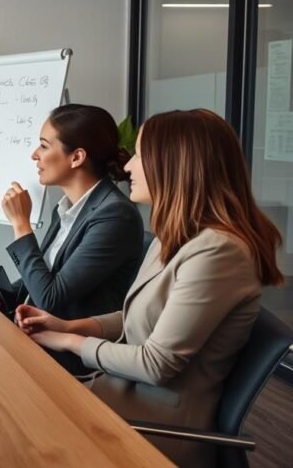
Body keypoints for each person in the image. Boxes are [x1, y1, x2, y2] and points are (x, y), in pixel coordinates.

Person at [16, 109, 284, 467]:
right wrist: (66, 326)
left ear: (174, 164)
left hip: (155, 428)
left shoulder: (219, 252)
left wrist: (69, 342)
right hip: (120, 398)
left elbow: (157, 364)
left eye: (141, 155)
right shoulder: (176, 236)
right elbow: (135, 316)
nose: (128, 167)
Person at [0, 104, 144, 324]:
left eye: (44, 146)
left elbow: (50, 298)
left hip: (69, 349)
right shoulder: (67, 208)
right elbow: (49, 273)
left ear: (76, 157)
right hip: (36, 332)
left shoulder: (115, 215)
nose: (34, 155)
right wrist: (2, 293)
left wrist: (21, 225)